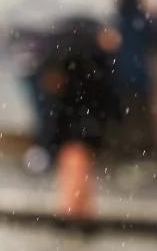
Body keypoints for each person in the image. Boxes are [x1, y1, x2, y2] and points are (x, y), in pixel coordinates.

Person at [40, 16, 122, 220]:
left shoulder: (72, 54)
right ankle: (75, 208)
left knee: (76, 161)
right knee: (76, 160)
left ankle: (76, 208)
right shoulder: (87, 55)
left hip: (77, 119)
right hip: (80, 120)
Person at [2, 0, 78, 173]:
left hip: (36, 64)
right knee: (46, 111)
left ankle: (46, 153)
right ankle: (49, 153)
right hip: (44, 64)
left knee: (43, 111)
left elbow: (10, 29)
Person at [112, 0, 155, 155]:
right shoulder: (141, 18)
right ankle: (145, 146)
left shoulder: (117, 19)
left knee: (127, 112)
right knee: (142, 112)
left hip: (122, 72)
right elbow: (153, 39)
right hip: (140, 72)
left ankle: (129, 147)